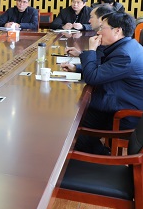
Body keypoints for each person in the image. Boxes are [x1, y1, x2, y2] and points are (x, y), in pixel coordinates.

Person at [61, 12, 143, 154]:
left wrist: (92, 49)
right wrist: (77, 68)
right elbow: (104, 69)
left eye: (102, 28)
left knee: (70, 131)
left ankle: (103, 157)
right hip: (115, 102)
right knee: (70, 120)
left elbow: (93, 77)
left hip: (122, 114)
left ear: (117, 31)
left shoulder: (125, 55)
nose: (98, 32)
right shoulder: (127, 45)